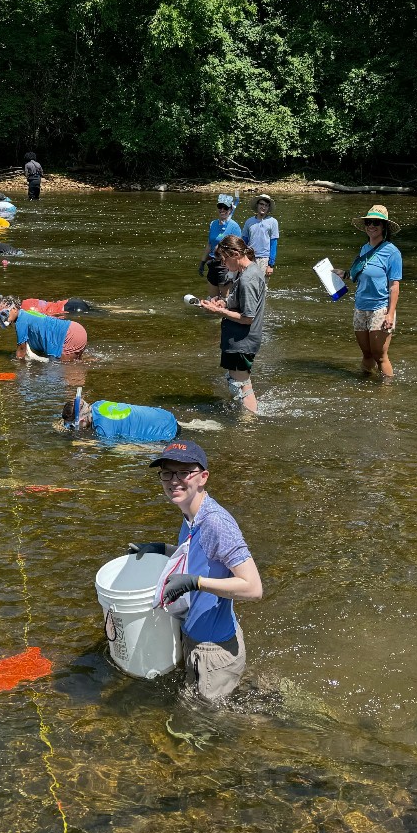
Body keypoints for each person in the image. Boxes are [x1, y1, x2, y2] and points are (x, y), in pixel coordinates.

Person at [128, 441, 262, 703]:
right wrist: (161, 549)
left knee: (209, 726)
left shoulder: (215, 522)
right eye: (167, 473)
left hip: (215, 649)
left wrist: (196, 582)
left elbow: (253, 588)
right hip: (194, 636)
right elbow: (194, 556)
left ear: (203, 477)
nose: (174, 481)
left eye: (183, 472)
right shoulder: (191, 513)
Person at [198, 234, 266, 413]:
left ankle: (248, 425)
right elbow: (241, 302)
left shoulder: (247, 278)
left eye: (223, 259)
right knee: (237, 382)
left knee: (244, 387)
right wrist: (224, 303)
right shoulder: (247, 272)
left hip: (242, 341)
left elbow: (248, 317)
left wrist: (219, 311)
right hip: (238, 339)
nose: (222, 263)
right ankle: (241, 414)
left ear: (235, 254)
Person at [335, 204, 402, 380]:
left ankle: (386, 392)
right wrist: (344, 274)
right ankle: (364, 386)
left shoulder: (392, 252)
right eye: (368, 222)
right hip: (360, 307)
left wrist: (390, 314)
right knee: (366, 354)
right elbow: (360, 274)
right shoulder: (364, 249)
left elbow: (394, 285)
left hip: (380, 309)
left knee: (380, 357)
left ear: (384, 227)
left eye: (376, 223)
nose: (371, 226)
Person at [0, 295, 88, 362]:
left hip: (69, 335)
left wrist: (16, 365)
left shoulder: (21, 321)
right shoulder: (28, 313)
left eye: (4, 314)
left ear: (14, 309)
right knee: (77, 362)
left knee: (62, 367)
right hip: (74, 329)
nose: (3, 319)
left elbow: (21, 351)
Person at [61, 397, 179, 443]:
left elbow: (125, 447)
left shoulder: (102, 430)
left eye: (73, 426)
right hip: (165, 415)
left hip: (165, 433)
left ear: (81, 420)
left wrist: (87, 443)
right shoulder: (99, 404)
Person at [198, 191, 241, 297]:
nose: (222, 210)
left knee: (225, 299)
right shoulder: (213, 224)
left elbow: (239, 250)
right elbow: (209, 244)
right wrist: (203, 262)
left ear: (230, 209)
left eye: (225, 208)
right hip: (213, 264)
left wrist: (235, 268)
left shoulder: (234, 227)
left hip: (226, 266)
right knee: (213, 299)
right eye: (220, 207)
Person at [241, 194, 279, 279]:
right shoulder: (249, 222)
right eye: (261, 204)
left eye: (266, 205)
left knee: (262, 287)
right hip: (250, 258)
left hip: (264, 259)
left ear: (268, 208)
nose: (263, 207)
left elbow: (274, 244)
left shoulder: (273, 222)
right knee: (248, 285)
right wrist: (242, 258)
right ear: (257, 205)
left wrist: (271, 265)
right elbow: (243, 242)